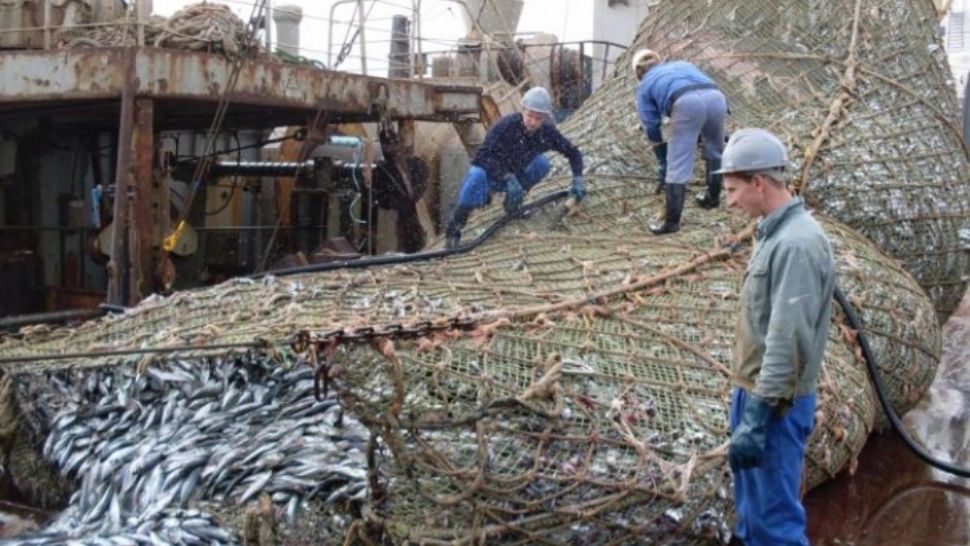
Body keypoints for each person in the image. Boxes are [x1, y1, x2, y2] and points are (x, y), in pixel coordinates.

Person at [720, 128, 836, 546]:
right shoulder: (772, 232)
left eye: (733, 189)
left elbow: (787, 342)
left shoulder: (798, 243)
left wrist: (757, 416)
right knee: (752, 514)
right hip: (753, 393)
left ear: (759, 182)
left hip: (775, 405)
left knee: (774, 524)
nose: (729, 200)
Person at [445, 86, 585, 249]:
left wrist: (578, 178)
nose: (532, 122)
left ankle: (513, 204)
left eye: (538, 118)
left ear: (544, 118)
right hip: (494, 176)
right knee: (475, 175)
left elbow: (573, 152)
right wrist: (506, 176)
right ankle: (454, 230)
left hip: (518, 175)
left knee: (542, 163)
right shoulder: (505, 126)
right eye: (529, 115)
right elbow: (481, 157)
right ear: (523, 110)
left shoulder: (547, 133)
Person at [632, 49, 728, 235]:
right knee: (715, 150)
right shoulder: (683, 64)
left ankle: (671, 223)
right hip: (717, 98)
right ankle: (712, 198)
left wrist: (662, 159)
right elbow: (703, 86)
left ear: (638, 72)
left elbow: (651, 125)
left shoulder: (644, 85)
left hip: (686, 103)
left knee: (678, 165)